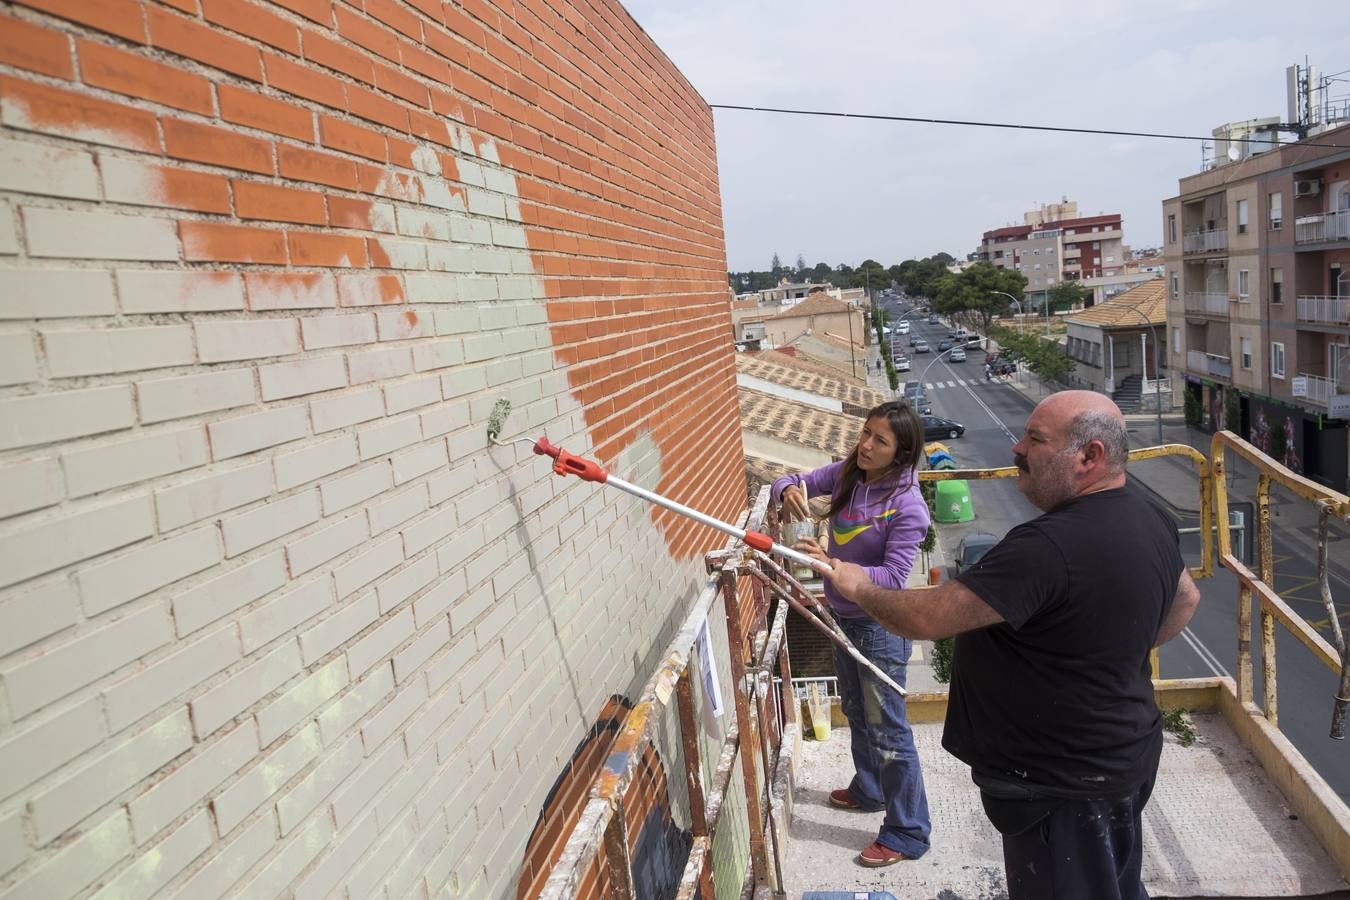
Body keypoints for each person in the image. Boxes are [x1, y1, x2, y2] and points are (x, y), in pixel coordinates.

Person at [822, 390, 1201, 900]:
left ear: (1090, 456)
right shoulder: (1147, 512)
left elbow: (930, 617)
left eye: (1036, 439)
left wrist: (859, 587)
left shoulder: (1046, 547)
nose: (1016, 448)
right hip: (1122, 755)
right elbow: (1184, 600)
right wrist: (1107, 655)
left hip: (1061, 785)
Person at [772, 401, 932, 867]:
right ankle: (870, 789)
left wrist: (832, 562)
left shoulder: (907, 507)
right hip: (843, 620)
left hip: (880, 629)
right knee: (857, 713)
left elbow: (892, 578)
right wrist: (787, 493)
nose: (865, 445)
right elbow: (790, 480)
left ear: (901, 454)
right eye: (866, 433)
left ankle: (907, 831)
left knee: (889, 732)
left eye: (880, 441)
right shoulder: (849, 475)